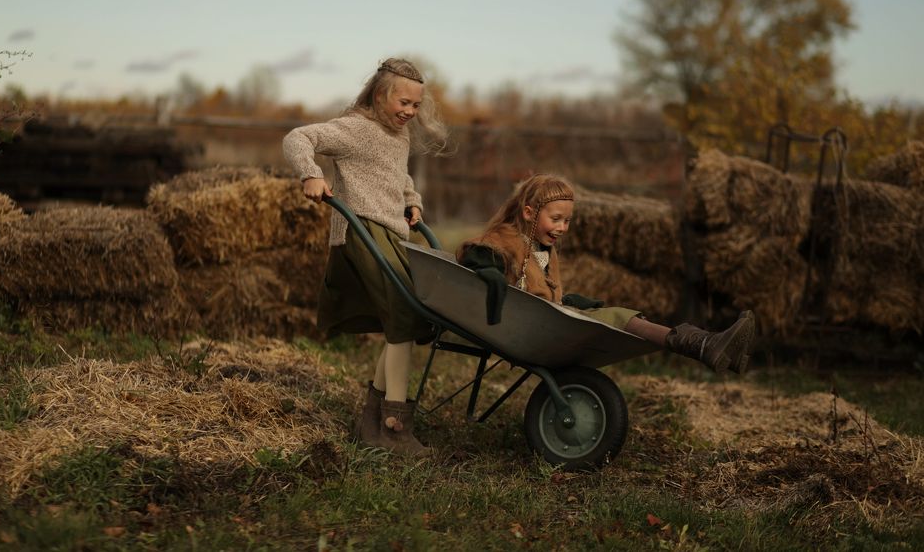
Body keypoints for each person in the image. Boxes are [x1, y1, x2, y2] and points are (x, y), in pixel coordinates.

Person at [282, 57, 448, 456]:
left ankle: (374, 420)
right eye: (402, 103)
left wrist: (412, 201)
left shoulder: (398, 136)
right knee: (404, 316)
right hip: (362, 232)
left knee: (406, 316)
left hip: (392, 233)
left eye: (415, 106)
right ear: (379, 95)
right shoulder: (356, 129)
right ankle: (394, 427)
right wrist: (310, 173)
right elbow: (297, 138)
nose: (409, 112)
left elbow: (399, 174)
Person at [457, 174, 755, 374]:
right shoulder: (507, 238)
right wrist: (490, 273)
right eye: (556, 219)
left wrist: (571, 301)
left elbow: (538, 292)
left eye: (568, 221)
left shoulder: (541, 248)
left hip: (542, 323)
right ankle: (703, 345)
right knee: (620, 319)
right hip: (525, 330)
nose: (562, 228)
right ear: (528, 212)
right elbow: (479, 253)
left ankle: (709, 347)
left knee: (620, 315)